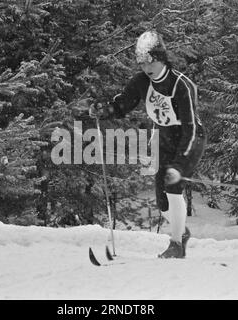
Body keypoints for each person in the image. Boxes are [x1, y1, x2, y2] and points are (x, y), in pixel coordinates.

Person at [89, 30, 206, 259]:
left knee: (173, 187)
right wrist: (105, 110)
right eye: (142, 63)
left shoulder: (182, 85)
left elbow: (190, 128)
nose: (146, 68)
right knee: (163, 203)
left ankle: (176, 245)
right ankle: (180, 231)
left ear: (161, 58)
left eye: (150, 62)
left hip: (190, 139)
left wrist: (180, 165)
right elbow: (123, 104)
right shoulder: (141, 81)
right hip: (164, 138)